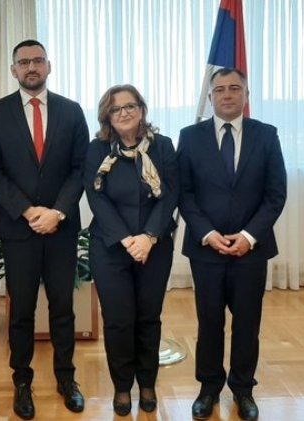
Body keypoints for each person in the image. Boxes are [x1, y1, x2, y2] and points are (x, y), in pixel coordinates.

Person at [0, 39, 88, 420]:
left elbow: (80, 168)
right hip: (18, 229)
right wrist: (27, 210)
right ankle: (21, 381)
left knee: (63, 308)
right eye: (23, 62)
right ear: (13, 70)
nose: (31, 67)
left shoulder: (71, 111)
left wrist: (57, 212)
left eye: (38, 60)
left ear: (49, 66)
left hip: (61, 228)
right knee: (21, 310)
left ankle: (66, 378)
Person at [177, 68, 287, 421]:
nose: (227, 94)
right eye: (220, 89)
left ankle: (243, 389)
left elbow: (275, 194)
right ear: (210, 97)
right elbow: (184, 193)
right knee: (209, 322)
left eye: (234, 88)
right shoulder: (189, 137)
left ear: (246, 95)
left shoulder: (266, 135)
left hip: (250, 250)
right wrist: (207, 233)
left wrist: (249, 236)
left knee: (247, 323)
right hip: (205, 249)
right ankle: (208, 388)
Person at [83, 85, 178, 416]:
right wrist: (127, 239)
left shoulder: (163, 146)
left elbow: (171, 193)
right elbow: (96, 197)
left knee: (149, 317)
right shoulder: (97, 150)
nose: (123, 113)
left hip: (155, 246)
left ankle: (147, 383)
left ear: (142, 109)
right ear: (106, 115)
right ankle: (122, 386)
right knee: (118, 320)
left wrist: (148, 237)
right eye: (115, 108)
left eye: (130, 106)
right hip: (110, 246)